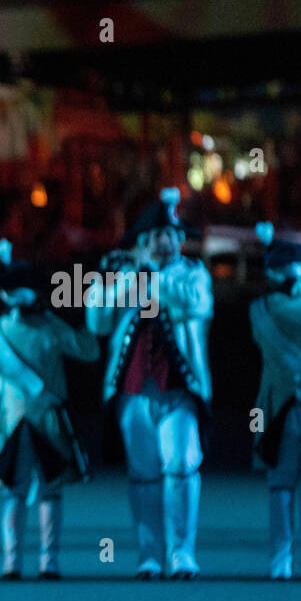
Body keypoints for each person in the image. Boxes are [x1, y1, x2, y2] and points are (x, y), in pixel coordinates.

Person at [86, 188, 212, 579]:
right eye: (159, 235)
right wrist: (123, 280)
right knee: (143, 473)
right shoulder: (123, 277)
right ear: (142, 241)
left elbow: (196, 305)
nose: (168, 242)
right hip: (134, 390)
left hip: (178, 389)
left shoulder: (193, 274)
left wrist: (150, 280)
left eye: (173, 235)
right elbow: (97, 321)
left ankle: (181, 553)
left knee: (182, 464)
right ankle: (149, 554)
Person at [0, 259, 98, 579]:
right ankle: (19, 561)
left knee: (45, 491)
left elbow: (88, 351)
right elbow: (88, 351)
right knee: (19, 491)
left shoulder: (46, 326)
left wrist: (90, 311)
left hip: (42, 420)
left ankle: (41, 560)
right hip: (20, 422)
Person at [250, 234, 301, 579]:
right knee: (281, 484)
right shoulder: (262, 309)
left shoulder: (261, 308)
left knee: (283, 484)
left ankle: (286, 557)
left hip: (278, 405)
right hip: (276, 408)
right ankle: (283, 556)